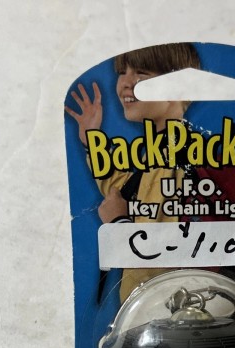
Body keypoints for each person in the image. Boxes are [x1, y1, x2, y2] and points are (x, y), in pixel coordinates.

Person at [65, 43, 201, 301]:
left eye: (141, 72)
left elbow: (156, 253)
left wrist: (118, 222)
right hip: (154, 304)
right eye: (122, 72)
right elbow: (125, 191)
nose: (125, 83)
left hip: (159, 306)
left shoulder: (175, 159)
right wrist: (92, 140)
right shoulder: (164, 149)